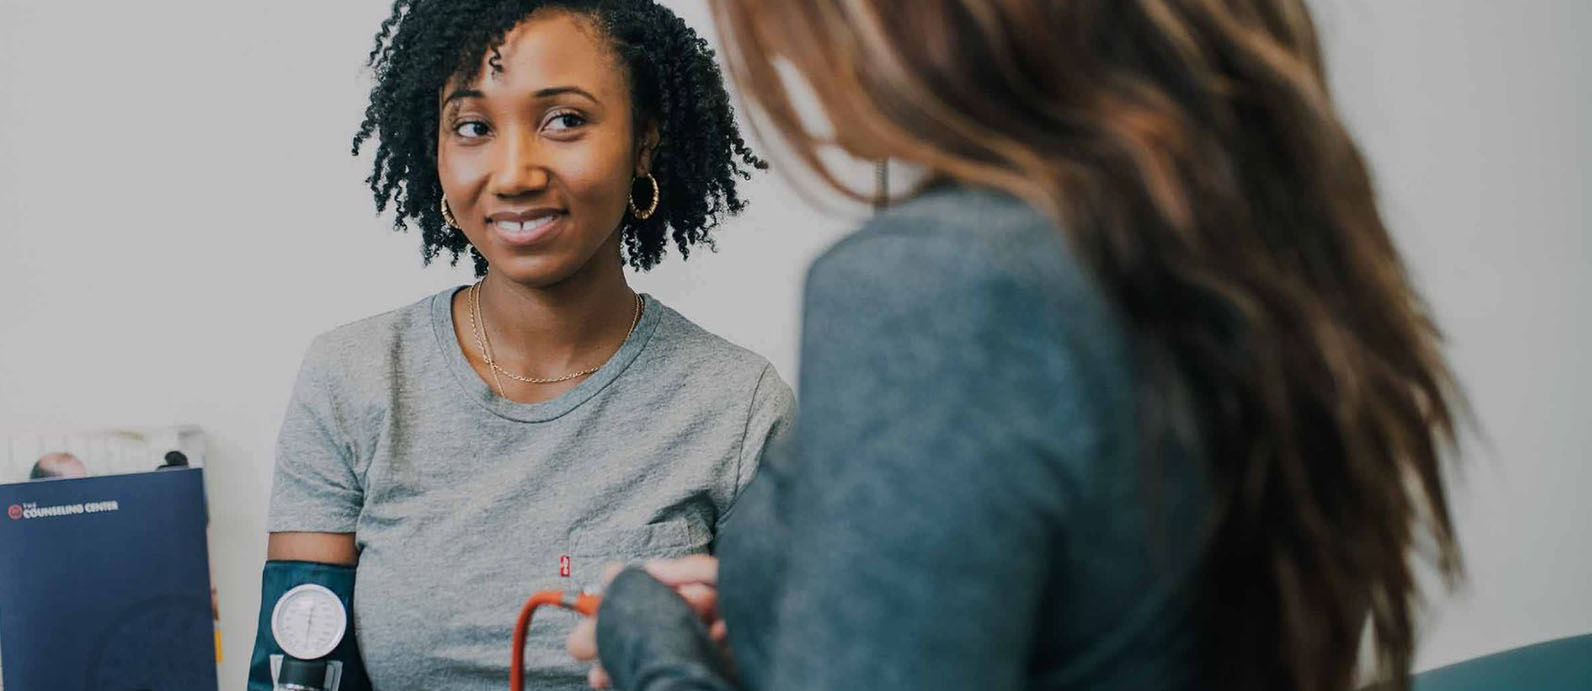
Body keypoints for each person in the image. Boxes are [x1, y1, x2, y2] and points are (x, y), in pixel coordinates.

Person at [568, 1, 1465, 690]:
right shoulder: (1234, 247)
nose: (790, 52)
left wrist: (655, 648)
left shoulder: (942, 286)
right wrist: (796, 624)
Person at [254, 1, 791, 689]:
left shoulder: (739, 408)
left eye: (564, 120)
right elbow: (298, 666)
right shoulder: (352, 379)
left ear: (644, 140)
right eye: (473, 127)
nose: (513, 174)